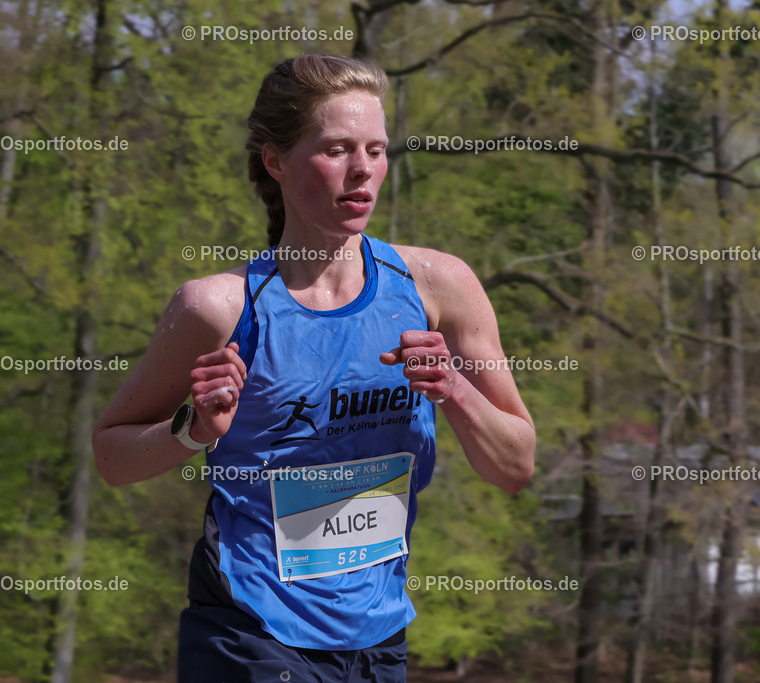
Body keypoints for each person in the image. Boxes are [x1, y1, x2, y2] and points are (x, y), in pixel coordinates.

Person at [92, 54, 535, 682]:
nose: (363, 171)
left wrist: (454, 388)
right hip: (250, 629)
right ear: (275, 161)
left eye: (376, 151)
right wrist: (194, 431)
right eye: (336, 150)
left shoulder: (439, 286)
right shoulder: (219, 307)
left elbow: (516, 465)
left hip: (378, 634)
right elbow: (111, 455)